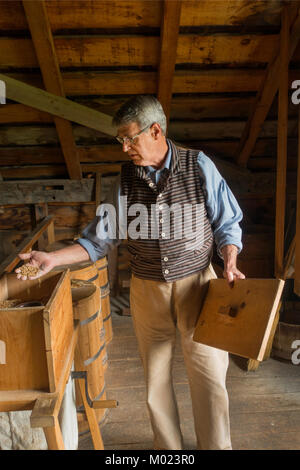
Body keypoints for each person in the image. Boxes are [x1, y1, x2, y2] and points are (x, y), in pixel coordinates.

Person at [16, 95, 245, 450]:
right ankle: (169, 452)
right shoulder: (125, 180)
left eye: (129, 138)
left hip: (199, 287)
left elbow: (227, 223)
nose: (124, 148)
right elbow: (97, 241)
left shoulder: (198, 165)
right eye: (120, 140)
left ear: (156, 131)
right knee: (155, 383)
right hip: (147, 292)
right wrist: (53, 259)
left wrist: (229, 260)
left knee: (210, 378)